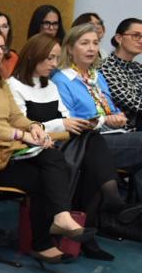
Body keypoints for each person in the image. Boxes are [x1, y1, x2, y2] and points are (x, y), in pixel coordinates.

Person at [0, 27, 92, 264]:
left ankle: (59, 220)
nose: (0, 51)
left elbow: (15, 116)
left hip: (2, 151)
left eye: (2, 47)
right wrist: (19, 135)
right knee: (42, 176)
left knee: (52, 158)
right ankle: (44, 240)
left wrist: (34, 126)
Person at [8, 33, 127, 260]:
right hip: (31, 148)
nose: (54, 64)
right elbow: (23, 125)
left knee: (91, 142)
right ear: (33, 57)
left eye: (55, 58)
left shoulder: (51, 85)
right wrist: (62, 124)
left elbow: (64, 116)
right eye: (49, 59)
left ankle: (103, 202)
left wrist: (76, 124)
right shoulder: (13, 86)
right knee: (90, 148)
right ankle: (110, 195)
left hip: (59, 142)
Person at [51, 23, 142, 202]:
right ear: (69, 48)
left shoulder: (96, 76)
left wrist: (119, 117)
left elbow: (112, 109)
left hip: (115, 134)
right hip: (87, 142)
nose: (92, 48)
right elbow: (69, 121)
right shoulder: (61, 79)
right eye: (84, 43)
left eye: (95, 43)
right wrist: (106, 120)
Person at [97, 17, 142, 128]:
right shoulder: (105, 67)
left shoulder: (138, 68)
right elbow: (134, 103)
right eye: (136, 36)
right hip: (121, 130)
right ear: (119, 38)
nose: (141, 40)